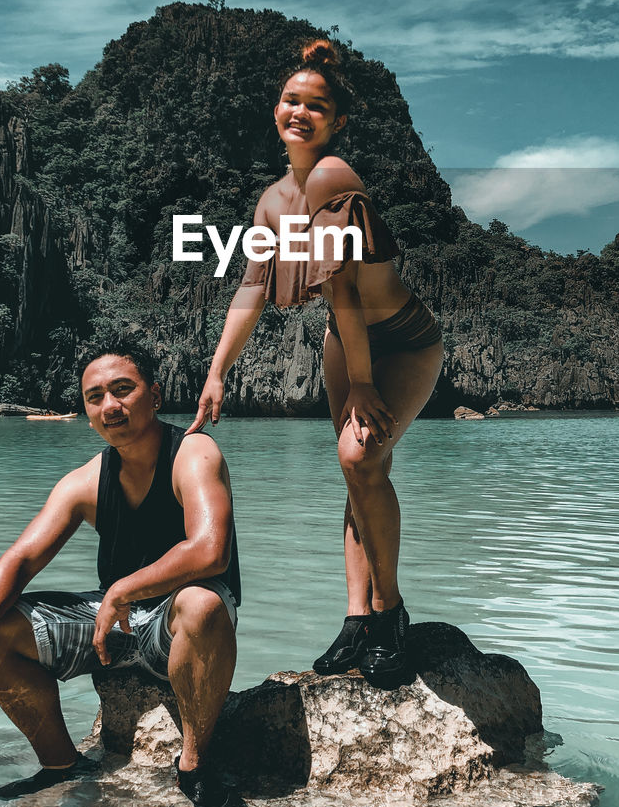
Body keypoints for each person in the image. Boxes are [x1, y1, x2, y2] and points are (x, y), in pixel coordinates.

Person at [188, 39, 443, 690]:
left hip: (404, 340)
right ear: (277, 109)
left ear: (336, 124)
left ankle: (390, 614)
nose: (300, 112)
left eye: (317, 106)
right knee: (358, 473)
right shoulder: (273, 201)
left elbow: (345, 288)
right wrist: (218, 372)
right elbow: (250, 289)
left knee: (361, 460)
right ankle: (358, 617)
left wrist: (363, 381)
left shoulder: (334, 180)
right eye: (290, 100)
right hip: (344, 339)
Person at [0, 339, 244, 807]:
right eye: (95, 397)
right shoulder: (85, 481)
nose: (109, 406)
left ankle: (194, 767)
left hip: (175, 622)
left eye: (123, 390)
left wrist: (122, 589)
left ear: (155, 396)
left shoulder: (193, 453)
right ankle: (60, 765)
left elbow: (210, 549)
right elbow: (20, 561)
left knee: (202, 604)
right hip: (111, 631)